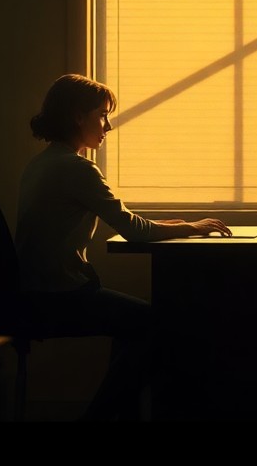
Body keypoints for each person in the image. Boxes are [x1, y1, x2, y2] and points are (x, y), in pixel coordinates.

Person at [14, 73, 230, 420]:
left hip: (35, 290)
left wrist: (169, 226)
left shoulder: (42, 164)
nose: (108, 125)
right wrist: (192, 227)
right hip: (59, 295)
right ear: (77, 116)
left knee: (135, 326)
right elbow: (133, 230)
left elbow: (129, 221)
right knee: (157, 325)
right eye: (102, 114)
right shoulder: (76, 168)